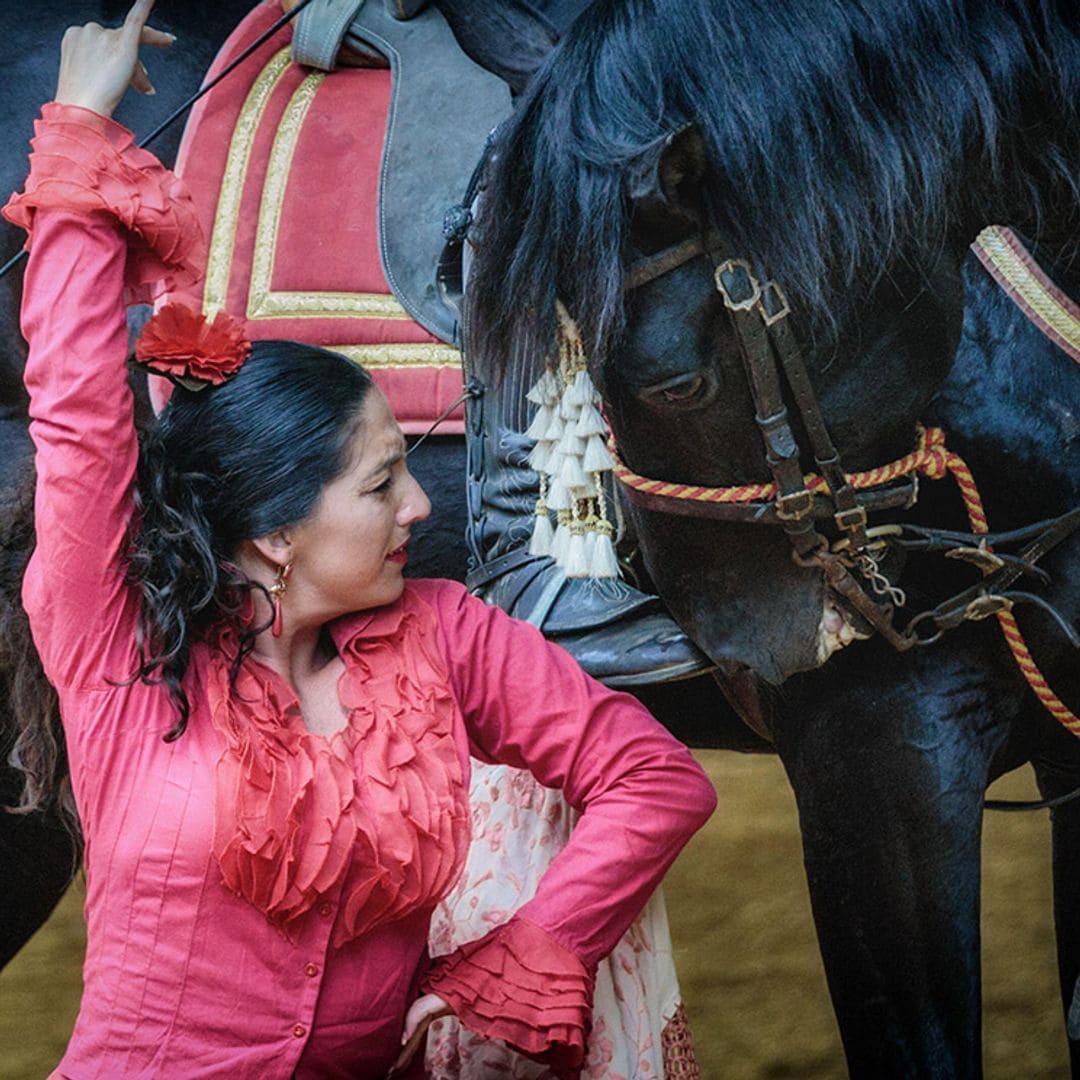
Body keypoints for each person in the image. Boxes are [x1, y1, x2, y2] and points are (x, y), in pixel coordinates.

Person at [5, 3, 716, 1077]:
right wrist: (76, 133)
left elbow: (656, 780)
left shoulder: (452, 637)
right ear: (279, 530)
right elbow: (77, 415)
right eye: (385, 484)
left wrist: (534, 947)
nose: (423, 512)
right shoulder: (116, 653)